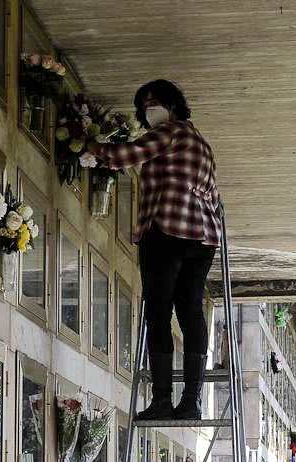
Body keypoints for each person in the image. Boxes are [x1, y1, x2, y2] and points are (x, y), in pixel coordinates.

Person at [89, 80, 221, 421]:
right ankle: (191, 401)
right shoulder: (203, 144)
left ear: (173, 104)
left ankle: (162, 399)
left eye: (154, 103)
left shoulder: (170, 133)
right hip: (201, 240)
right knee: (190, 312)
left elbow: (124, 157)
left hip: (165, 233)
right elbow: (212, 195)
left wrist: (88, 143)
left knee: (159, 314)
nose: (149, 110)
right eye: (144, 106)